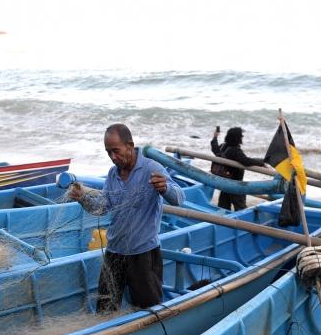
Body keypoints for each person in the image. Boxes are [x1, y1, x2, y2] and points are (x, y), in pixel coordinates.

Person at [69, 123, 184, 311]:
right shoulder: (112, 174)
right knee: (104, 308)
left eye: (116, 151)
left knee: (148, 311)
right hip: (114, 252)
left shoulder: (152, 168)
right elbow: (102, 208)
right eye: (108, 153)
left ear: (130, 145)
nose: (113, 157)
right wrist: (81, 198)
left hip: (143, 253)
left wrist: (165, 188)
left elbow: (179, 199)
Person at [209, 126, 266, 211]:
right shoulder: (235, 150)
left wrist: (215, 137)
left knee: (223, 207)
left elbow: (215, 148)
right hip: (236, 184)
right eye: (241, 136)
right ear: (237, 138)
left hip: (224, 182)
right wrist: (261, 164)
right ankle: (243, 223)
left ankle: (221, 221)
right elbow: (246, 161)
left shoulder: (223, 146)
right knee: (241, 208)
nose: (242, 137)